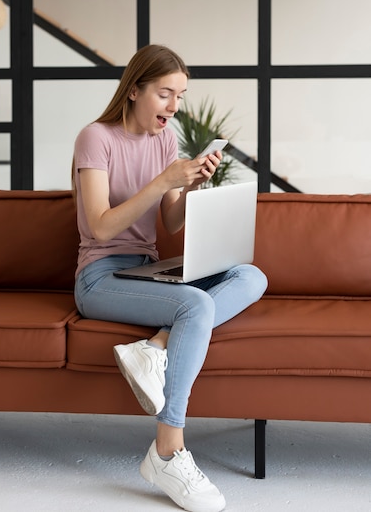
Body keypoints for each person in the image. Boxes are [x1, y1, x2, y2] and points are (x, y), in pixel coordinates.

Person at [73, 44, 268, 512]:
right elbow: (99, 225)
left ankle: (157, 344)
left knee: (251, 275)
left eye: (180, 95)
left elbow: (171, 222)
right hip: (101, 276)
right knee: (197, 306)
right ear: (135, 90)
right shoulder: (95, 138)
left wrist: (191, 184)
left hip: (147, 269)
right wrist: (163, 181)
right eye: (165, 94)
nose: (174, 107)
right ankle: (167, 449)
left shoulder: (164, 141)